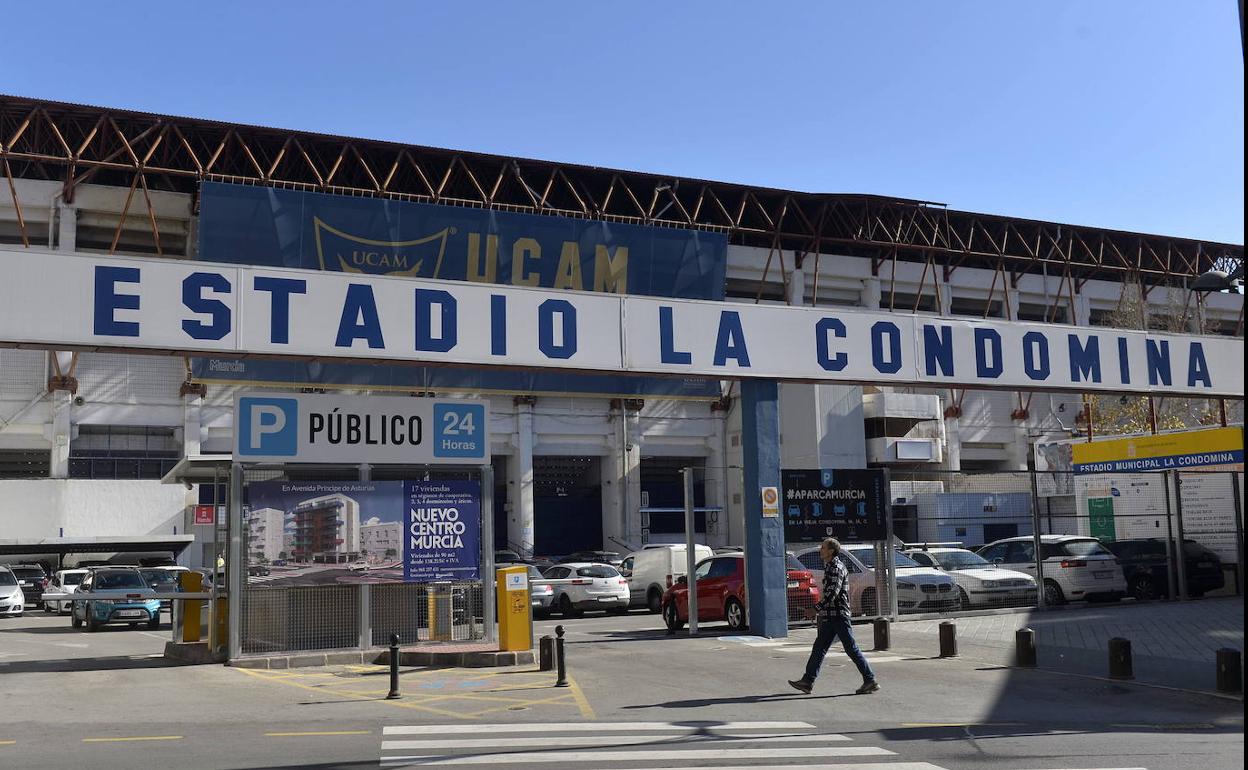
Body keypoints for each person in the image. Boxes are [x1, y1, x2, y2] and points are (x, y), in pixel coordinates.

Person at [788, 537, 879, 695]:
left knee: (850, 648)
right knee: (819, 647)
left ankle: (869, 679)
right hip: (831, 616)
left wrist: (815, 608)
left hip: (838, 615)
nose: (820, 550)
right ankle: (807, 681)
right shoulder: (831, 566)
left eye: (823, 547)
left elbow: (832, 593)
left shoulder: (835, 567)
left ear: (831, 551)